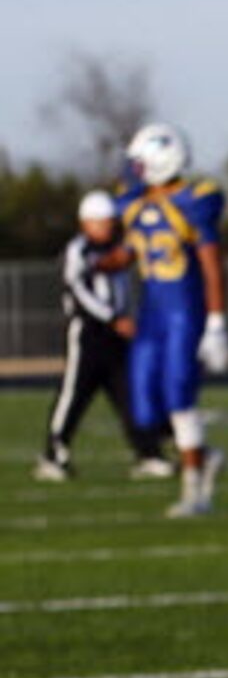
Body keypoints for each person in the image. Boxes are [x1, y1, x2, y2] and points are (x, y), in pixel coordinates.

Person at [118, 122, 228, 517]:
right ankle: (205, 454)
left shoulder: (195, 201)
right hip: (152, 312)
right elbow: (130, 251)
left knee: (180, 395)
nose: (134, 170)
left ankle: (194, 490)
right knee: (145, 407)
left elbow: (212, 265)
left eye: (141, 162)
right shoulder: (134, 205)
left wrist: (216, 322)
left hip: (185, 311)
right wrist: (96, 263)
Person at [35, 191, 167, 480]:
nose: (109, 226)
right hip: (87, 333)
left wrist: (127, 318)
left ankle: (148, 453)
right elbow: (77, 290)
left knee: (129, 394)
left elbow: (124, 288)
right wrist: (112, 317)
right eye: (104, 222)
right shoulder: (78, 250)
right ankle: (54, 454)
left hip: (116, 336)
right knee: (74, 395)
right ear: (88, 222)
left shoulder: (117, 248)